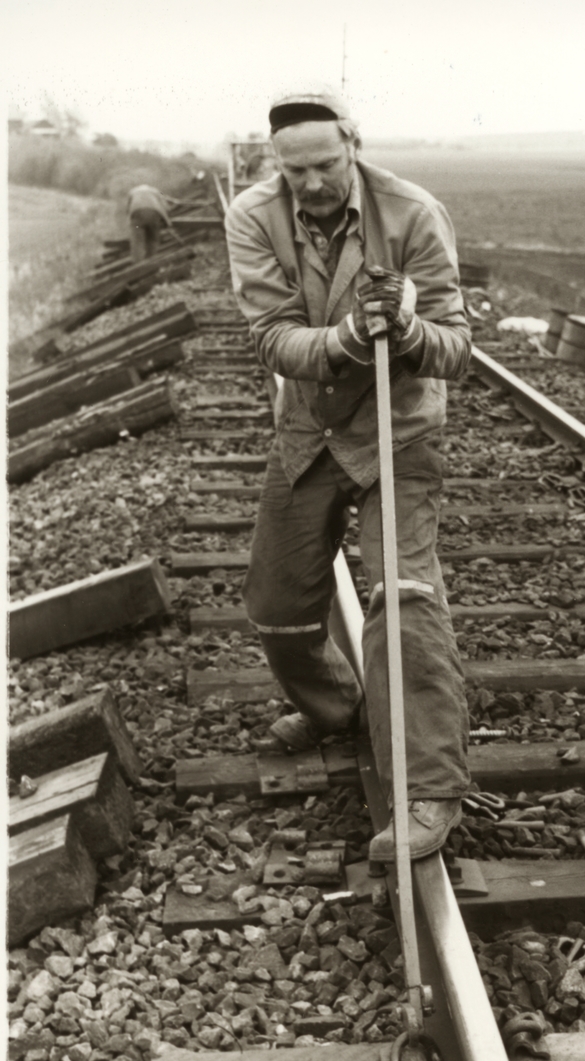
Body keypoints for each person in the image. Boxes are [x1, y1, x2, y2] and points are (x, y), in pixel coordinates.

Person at [225, 88, 471, 862]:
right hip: (308, 431)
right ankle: (339, 708)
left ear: (353, 146)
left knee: (402, 601)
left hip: (397, 433)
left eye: (325, 164)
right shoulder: (253, 216)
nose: (312, 184)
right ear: (278, 167)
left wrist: (404, 326)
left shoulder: (413, 213)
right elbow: (269, 338)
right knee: (276, 608)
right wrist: (339, 340)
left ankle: (430, 792)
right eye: (294, 171)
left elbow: (456, 350)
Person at [126, 184, 177, 261]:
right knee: (153, 239)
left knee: (137, 240)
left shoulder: (132, 191)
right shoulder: (155, 191)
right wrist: (167, 221)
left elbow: (128, 209)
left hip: (137, 215)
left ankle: (137, 264)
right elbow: (165, 207)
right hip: (153, 214)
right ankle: (151, 260)